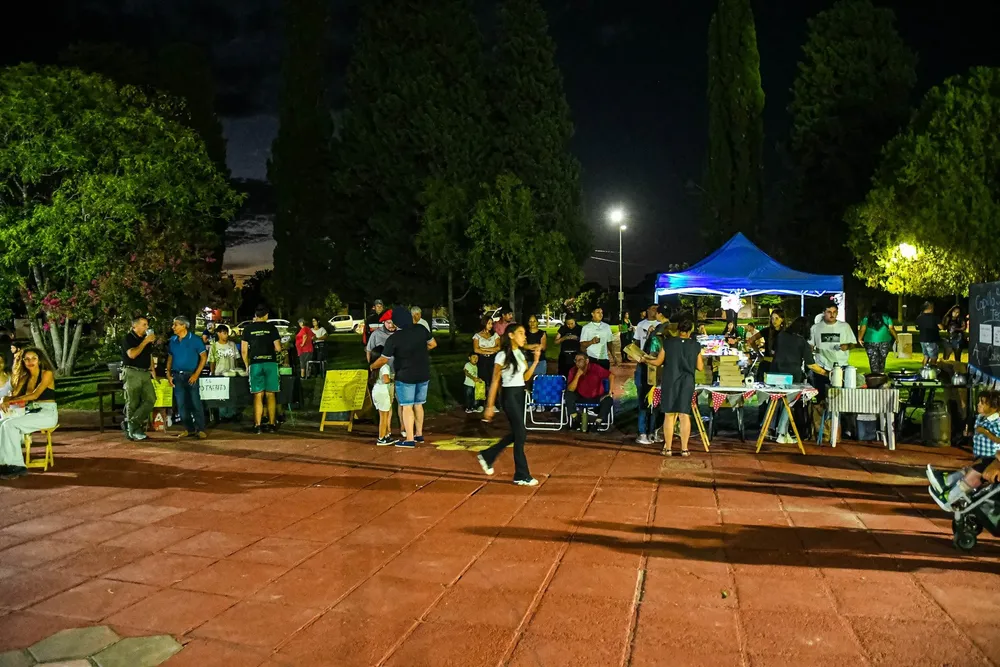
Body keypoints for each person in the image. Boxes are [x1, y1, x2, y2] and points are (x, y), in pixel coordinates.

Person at [477, 322, 541, 486]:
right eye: (521, 333)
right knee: (521, 434)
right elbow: (495, 381)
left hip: (520, 394)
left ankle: (488, 455)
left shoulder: (520, 353)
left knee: (518, 433)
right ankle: (521, 474)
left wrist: (535, 362)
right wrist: (489, 406)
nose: (524, 336)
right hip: (509, 395)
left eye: (524, 333)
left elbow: (525, 378)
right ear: (511, 335)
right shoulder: (501, 356)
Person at [371, 310, 437, 448]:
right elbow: (433, 344)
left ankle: (409, 439)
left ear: (396, 322)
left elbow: (383, 359)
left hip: (405, 375)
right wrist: (419, 351)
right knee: (419, 404)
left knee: (407, 406)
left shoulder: (394, 338)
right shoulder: (421, 329)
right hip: (423, 372)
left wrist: (372, 366)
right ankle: (419, 434)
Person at [927, 391, 1000, 509]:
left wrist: (985, 432)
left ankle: (950, 497)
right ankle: (946, 482)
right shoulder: (981, 418)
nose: (978, 404)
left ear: (994, 407)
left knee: (978, 469)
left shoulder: (997, 422)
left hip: (991, 455)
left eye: (982, 403)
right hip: (984, 455)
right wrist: (971, 434)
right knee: (973, 468)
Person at [644, 317, 703, 457]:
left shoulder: (668, 343)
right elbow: (700, 367)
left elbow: (658, 362)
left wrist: (644, 359)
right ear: (690, 330)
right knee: (684, 414)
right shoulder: (695, 345)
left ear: (678, 329)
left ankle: (668, 448)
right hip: (687, 382)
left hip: (670, 381)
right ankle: (684, 449)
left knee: (669, 415)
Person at [0, 348, 58, 479]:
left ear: (39, 360)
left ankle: (16, 466)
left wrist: (10, 400)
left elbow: (35, 395)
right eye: (26, 359)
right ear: (23, 361)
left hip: (47, 413)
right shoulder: (25, 377)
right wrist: (5, 398)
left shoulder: (46, 374)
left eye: (33, 358)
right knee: (2, 423)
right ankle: (3, 463)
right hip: (30, 412)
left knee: (10, 425)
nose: (30, 361)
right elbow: (14, 395)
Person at [771, 318, 827, 444]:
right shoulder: (802, 342)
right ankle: (781, 433)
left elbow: (773, 351)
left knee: (775, 403)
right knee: (788, 404)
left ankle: (769, 429)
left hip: (774, 374)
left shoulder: (781, 335)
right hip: (791, 376)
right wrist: (826, 373)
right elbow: (811, 365)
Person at [241, 304, 282, 434]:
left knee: (258, 395)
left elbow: (244, 351)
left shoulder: (248, 329)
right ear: (266, 315)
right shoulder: (271, 328)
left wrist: (247, 365)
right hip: (270, 363)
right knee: (271, 394)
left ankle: (258, 425)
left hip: (255, 364)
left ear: (256, 315)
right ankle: (272, 424)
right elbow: (278, 348)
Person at [166, 316, 208, 439]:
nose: (173, 327)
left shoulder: (195, 340)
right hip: (177, 375)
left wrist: (196, 374)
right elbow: (170, 358)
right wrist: (168, 374)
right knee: (181, 404)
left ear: (183, 326)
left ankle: (200, 429)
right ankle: (189, 429)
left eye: (175, 325)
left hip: (191, 375)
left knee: (195, 402)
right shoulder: (173, 340)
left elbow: (204, 357)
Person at [121, 316, 157, 441]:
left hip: (145, 373)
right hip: (132, 372)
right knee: (133, 402)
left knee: (151, 399)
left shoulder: (145, 339)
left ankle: (132, 423)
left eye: (147, 324)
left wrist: (153, 371)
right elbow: (132, 354)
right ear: (135, 326)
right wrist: (145, 342)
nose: (147, 327)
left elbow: (149, 355)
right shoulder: (128, 338)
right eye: (144, 324)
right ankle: (133, 431)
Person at [566, 351, 613, 431]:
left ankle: (597, 422)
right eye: (575, 360)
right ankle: (576, 419)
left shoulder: (595, 368)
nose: (577, 363)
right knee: (568, 395)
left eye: (580, 360)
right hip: (580, 396)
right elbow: (570, 389)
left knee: (609, 400)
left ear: (587, 361)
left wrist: (610, 390)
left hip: (596, 396)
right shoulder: (573, 370)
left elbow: (611, 375)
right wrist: (577, 375)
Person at [810, 303, 857, 377]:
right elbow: (810, 345)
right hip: (822, 366)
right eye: (829, 312)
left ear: (837, 313)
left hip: (841, 365)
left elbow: (853, 344)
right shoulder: (815, 328)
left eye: (834, 312)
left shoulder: (845, 326)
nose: (832, 314)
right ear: (824, 313)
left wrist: (847, 346)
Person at [858, 303, 897, 374]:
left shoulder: (866, 319)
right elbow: (891, 328)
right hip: (885, 341)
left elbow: (862, 329)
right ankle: (881, 373)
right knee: (882, 359)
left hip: (870, 341)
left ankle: (875, 375)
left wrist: (860, 338)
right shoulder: (886, 318)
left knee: (873, 360)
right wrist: (896, 338)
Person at [747, 309, 784, 377]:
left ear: (782, 319)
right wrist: (759, 354)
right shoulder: (768, 331)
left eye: (777, 318)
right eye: (772, 318)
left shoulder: (785, 332)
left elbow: (751, 340)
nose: (774, 321)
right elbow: (751, 340)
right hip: (773, 364)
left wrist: (759, 354)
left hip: (774, 365)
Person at [473, 317, 501, 400]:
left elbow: (498, 347)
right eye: (489, 323)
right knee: (482, 380)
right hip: (482, 360)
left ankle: (494, 400)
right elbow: (476, 349)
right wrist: (490, 351)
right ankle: (482, 400)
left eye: (492, 323)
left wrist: (484, 349)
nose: (491, 325)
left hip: (492, 359)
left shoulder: (495, 335)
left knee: (493, 379)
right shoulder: (477, 336)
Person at [372, 357, 395, 446]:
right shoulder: (385, 366)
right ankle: (381, 438)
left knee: (383, 415)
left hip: (376, 390)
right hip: (382, 391)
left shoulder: (374, 366)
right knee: (384, 416)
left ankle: (385, 436)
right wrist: (393, 380)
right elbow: (386, 380)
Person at [523, 316, 548, 387]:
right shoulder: (525, 333)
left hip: (541, 360)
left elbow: (543, 347)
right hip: (529, 359)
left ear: (537, 322)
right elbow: (524, 346)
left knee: (541, 381)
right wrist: (536, 345)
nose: (532, 323)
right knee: (528, 380)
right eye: (530, 321)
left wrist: (532, 347)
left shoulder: (542, 333)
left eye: (534, 321)